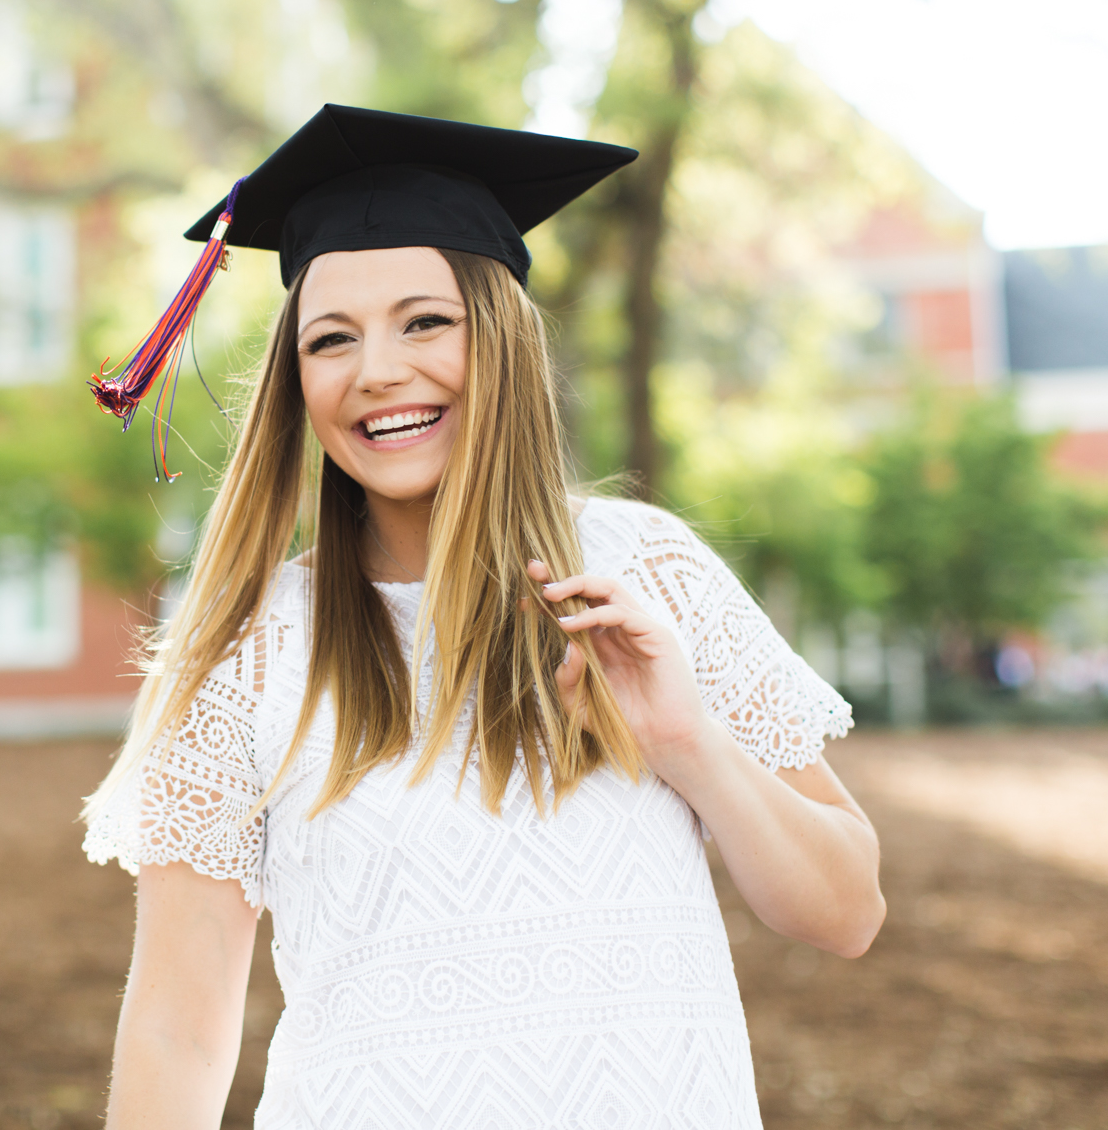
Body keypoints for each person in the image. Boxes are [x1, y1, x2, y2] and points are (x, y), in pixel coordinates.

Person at [82, 105, 885, 1128]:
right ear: (297, 380)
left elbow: (845, 910)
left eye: (423, 321)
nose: (376, 369)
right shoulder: (247, 651)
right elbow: (177, 1028)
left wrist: (685, 740)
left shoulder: (648, 576)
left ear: (497, 336)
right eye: (332, 339)